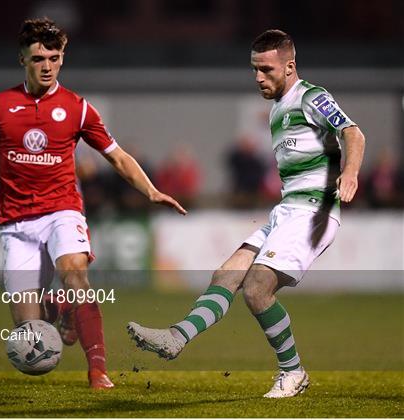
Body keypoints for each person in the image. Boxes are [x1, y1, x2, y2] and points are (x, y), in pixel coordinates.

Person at [0, 17, 186, 389]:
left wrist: (151, 190)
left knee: (76, 274)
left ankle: (98, 371)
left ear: (62, 59)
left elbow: (118, 156)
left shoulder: (77, 108)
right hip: (15, 222)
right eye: (38, 58)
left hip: (62, 210)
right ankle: (59, 311)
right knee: (31, 330)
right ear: (22, 60)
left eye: (54, 57)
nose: (47, 66)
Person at [127, 29, 365, 398]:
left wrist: (349, 174)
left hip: (313, 212)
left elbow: (353, 133)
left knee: (256, 288)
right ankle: (177, 337)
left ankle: (293, 373)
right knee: (227, 273)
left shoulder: (312, 97)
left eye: (267, 69)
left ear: (289, 67)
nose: (258, 77)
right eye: (254, 69)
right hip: (286, 211)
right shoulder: (275, 111)